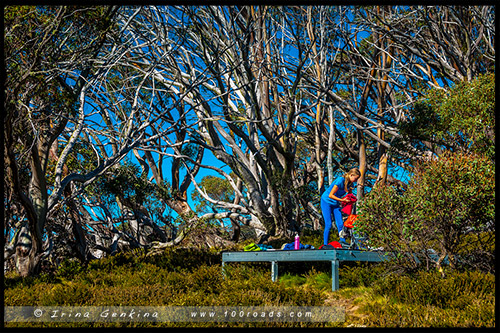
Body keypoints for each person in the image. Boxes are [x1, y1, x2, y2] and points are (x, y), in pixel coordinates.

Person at [321, 168, 361, 246]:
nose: (356, 181)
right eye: (355, 178)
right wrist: (342, 200)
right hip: (326, 201)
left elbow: (349, 195)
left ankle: (343, 242)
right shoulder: (340, 180)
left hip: (336, 203)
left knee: (340, 224)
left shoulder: (350, 185)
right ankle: (325, 245)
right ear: (351, 175)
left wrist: (351, 200)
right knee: (328, 224)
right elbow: (331, 195)